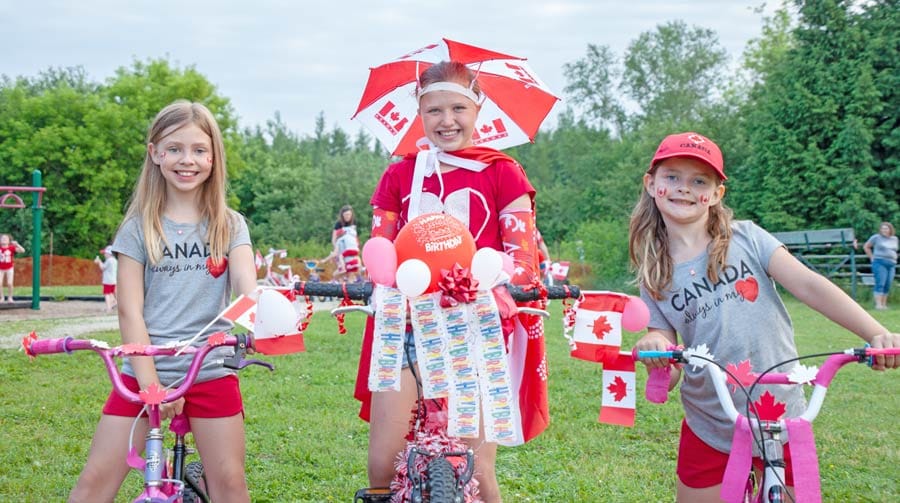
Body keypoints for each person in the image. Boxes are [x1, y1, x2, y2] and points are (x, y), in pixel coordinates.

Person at [630, 132, 899, 503]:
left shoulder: (748, 238)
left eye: (699, 181)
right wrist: (657, 349)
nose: (684, 189)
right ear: (651, 184)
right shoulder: (653, 272)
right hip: (710, 421)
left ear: (717, 194)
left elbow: (809, 285)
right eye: (672, 177)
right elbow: (669, 359)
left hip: (781, 413)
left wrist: (876, 332)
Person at [354, 61, 544, 502]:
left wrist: (484, 281)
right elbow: (378, 252)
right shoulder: (400, 174)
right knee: (384, 467)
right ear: (419, 113)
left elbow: (524, 263)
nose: (447, 120)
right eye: (434, 110)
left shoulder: (504, 172)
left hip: (474, 331)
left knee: (477, 471)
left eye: (458, 107)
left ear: (478, 110)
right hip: (404, 329)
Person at [68, 101, 257, 503]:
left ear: (213, 157)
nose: (187, 160)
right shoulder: (138, 227)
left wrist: (264, 309)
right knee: (94, 480)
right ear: (155, 153)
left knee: (229, 481)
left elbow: (245, 285)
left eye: (198, 150)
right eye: (174, 149)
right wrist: (152, 384)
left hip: (209, 370)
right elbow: (129, 309)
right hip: (141, 375)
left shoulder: (230, 224)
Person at [863, 221, 897, 310]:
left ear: (890, 229)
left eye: (886, 228)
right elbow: (866, 246)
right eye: (882, 228)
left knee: (887, 284)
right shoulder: (876, 238)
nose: (884, 230)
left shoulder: (894, 239)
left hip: (892, 264)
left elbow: (894, 250)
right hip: (879, 262)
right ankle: (878, 305)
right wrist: (871, 257)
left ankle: (884, 304)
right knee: (880, 283)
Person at [326, 204, 362, 282]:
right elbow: (334, 239)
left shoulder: (354, 222)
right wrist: (337, 249)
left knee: (351, 271)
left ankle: (351, 285)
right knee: (342, 270)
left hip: (351, 249)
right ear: (342, 215)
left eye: (349, 214)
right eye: (345, 215)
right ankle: (339, 285)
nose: (347, 216)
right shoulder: (338, 224)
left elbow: (354, 236)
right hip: (341, 248)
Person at [0, 233, 26, 302]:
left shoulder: (11, 248)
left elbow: (23, 250)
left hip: (9, 268)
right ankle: (2, 297)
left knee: (10, 283)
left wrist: (17, 244)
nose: (4, 239)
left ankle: (10, 297)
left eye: (6, 238)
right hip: (0, 269)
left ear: (9, 241)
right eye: (2, 238)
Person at [94, 245, 118, 312]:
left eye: (105, 253)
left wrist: (99, 261)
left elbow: (102, 267)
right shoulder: (115, 261)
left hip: (108, 281)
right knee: (111, 293)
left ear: (109, 253)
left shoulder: (109, 260)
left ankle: (109, 308)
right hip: (114, 280)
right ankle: (114, 302)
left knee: (107, 294)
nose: (104, 255)